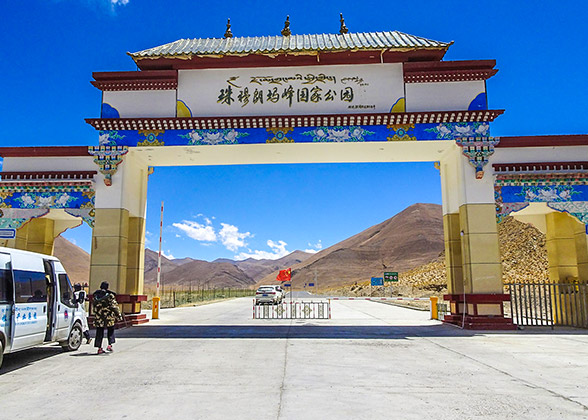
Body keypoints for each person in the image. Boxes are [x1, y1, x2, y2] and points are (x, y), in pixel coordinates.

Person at [93, 281, 122, 354]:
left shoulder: (95, 295)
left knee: (99, 332)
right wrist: (119, 315)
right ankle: (110, 345)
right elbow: (114, 306)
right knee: (110, 330)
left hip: (99, 317)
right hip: (108, 317)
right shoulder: (110, 295)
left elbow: (94, 306)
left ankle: (99, 348)